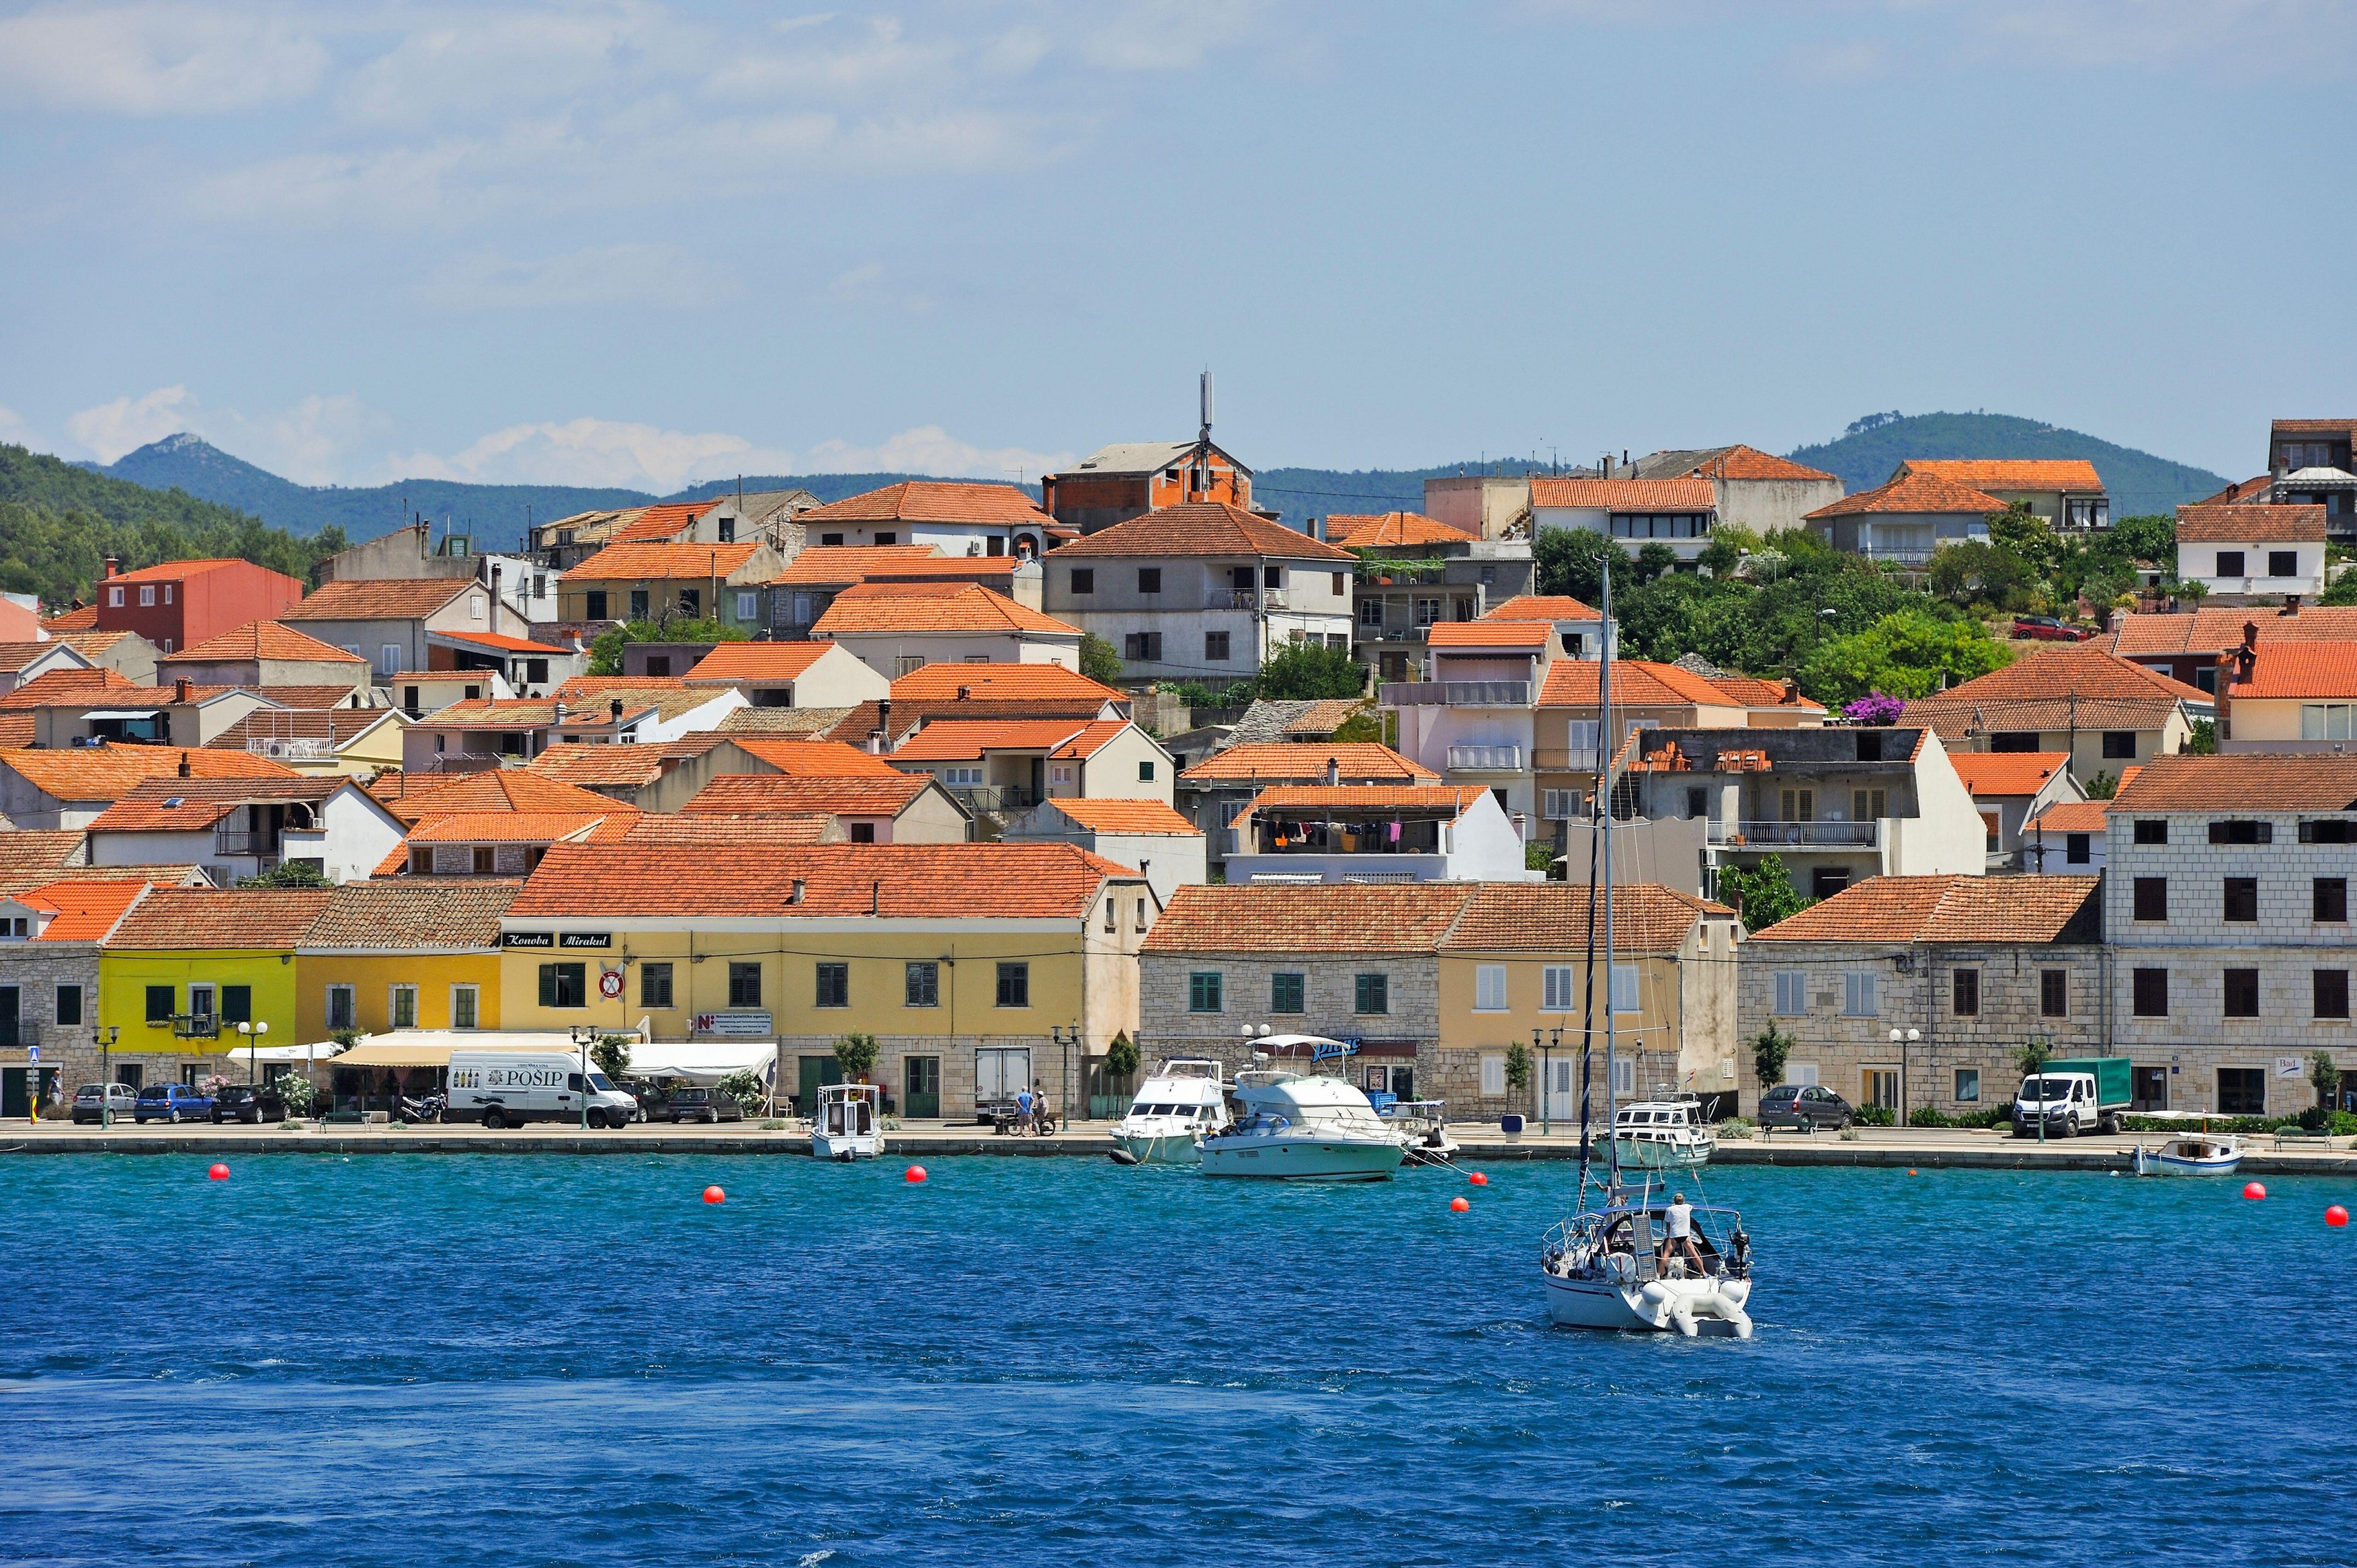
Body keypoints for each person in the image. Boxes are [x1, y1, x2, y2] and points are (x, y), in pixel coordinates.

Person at [1659, 1192, 1707, 1278]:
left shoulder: (1670, 1209)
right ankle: (1704, 1273)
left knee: (1666, 1254)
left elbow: (1668, 1223)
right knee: (1694, 1254)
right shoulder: (1687, 1207)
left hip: (1674, 1236)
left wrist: (1669, 1235)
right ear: (1683, 1201)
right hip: (1685, 1235)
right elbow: (1692, 1207)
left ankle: (1658, 1274)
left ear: (1674, 1201)